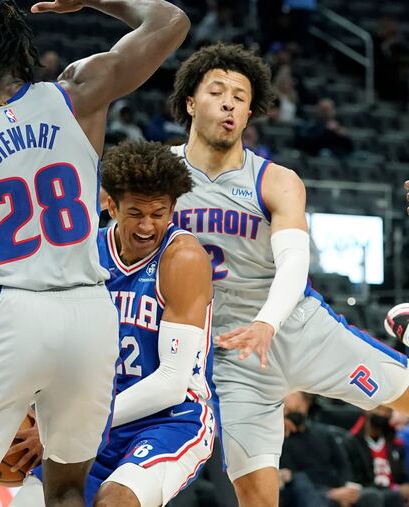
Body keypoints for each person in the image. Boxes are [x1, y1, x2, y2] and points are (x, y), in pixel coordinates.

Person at [0, 0, 190, 505]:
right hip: (92, 314)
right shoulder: (80, 92)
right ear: (23, 48)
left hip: (13, 315)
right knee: (68, 491)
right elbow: (170, 21)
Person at [169, 43, 409, 507]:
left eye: (240, 97)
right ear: (190, 103)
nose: (228, 103)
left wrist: (268, 322)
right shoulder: (161, 174)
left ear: (251, 111)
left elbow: (295, 262)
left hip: (298, 329)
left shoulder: (276, 179)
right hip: (229, 352)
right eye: (217, 91)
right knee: (256, 496)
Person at [9, 141, 215, 507]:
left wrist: (64, 428)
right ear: (111, 205)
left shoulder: (183, 258)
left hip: (170, 419)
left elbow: (170, 383)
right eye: (136, 213)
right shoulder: (85, 253)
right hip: (93, 414)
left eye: (159, 213)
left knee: (114, 501)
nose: (148, 226)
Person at [279, 392, 369, 507]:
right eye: (287, 411)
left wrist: (345, 488)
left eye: (296, 409)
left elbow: (342, 464)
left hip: (336, 487)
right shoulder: (279, 440)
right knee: (300, 482)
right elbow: (292, 476)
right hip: (306, 492)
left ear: (306, 405)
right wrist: (328, 493)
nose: (291, 415)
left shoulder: (324, 434)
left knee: (371, 496)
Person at [345, 406, 409, 506]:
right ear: (366, 409)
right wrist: (395, 490)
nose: (383, 414)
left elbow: (403, 476)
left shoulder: (396, 442)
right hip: (368, 496)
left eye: (388, 411)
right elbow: (354, 481)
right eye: (379, 409)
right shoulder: (351, 442)